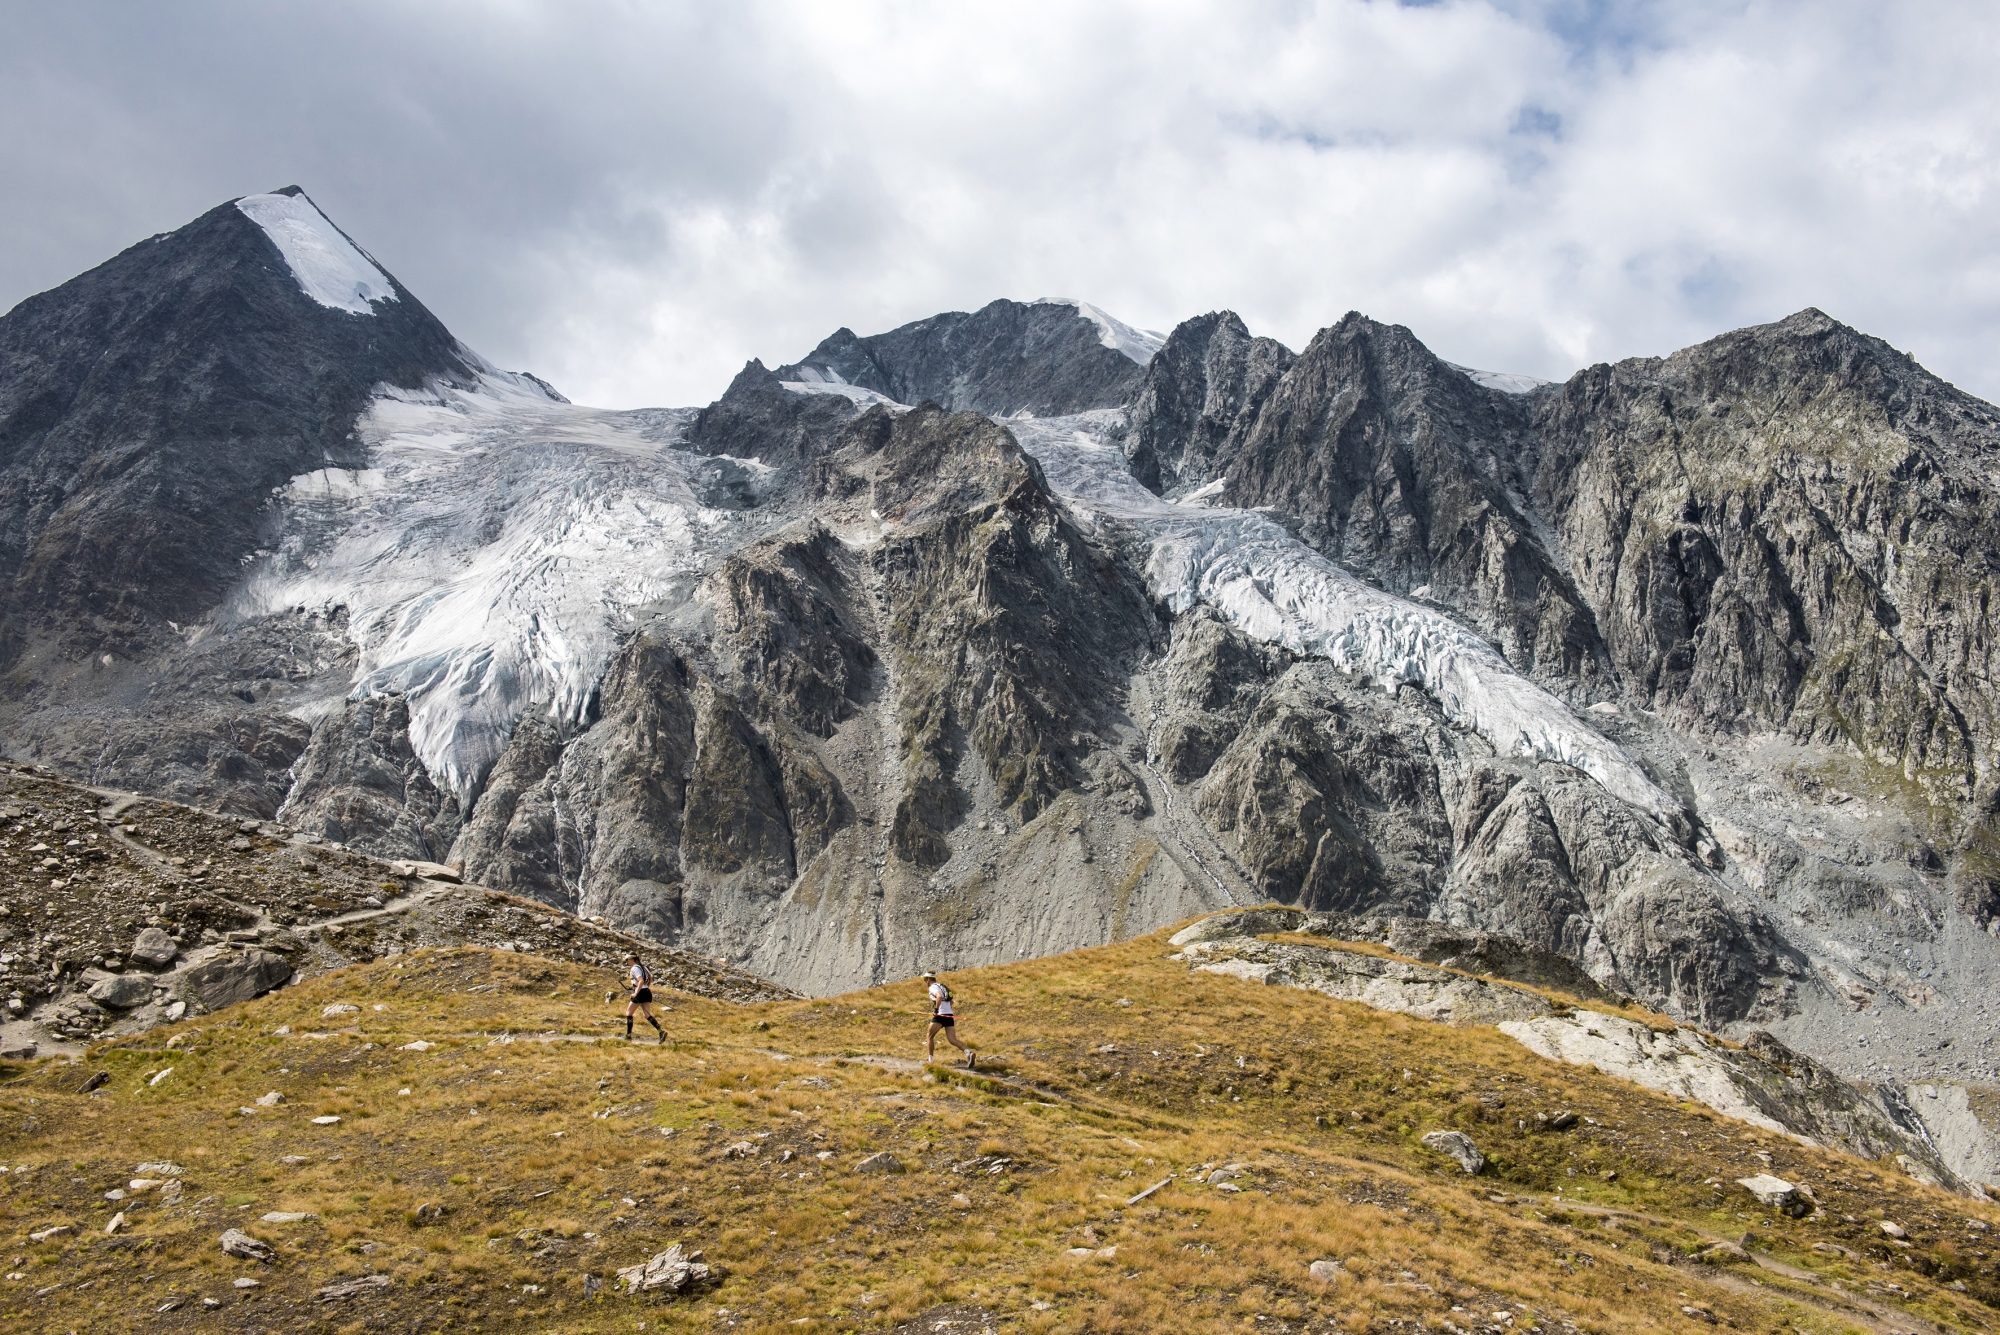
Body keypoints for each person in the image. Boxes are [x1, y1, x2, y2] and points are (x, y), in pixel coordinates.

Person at [923, 970, 974, 1068]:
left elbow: (939, 996)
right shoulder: (941, 986)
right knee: (952, 1040)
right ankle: (969, 1053)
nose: (925, 981)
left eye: (925, 979)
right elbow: (951, 1002)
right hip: (949, 1015)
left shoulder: (932, 987)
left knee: (929, 1036)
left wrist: (936, 1010)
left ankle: (930, 1061)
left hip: (940, 1015)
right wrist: (946, 1009)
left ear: (928, 979)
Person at [622, 953, 666, 1043]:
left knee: (628, 1013)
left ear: (631, 959)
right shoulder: (643, 967)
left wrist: (636, 993)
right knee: (647, 1015)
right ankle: (661, 1032)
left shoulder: (634, 968)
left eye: (627, 960)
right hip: (646, 992)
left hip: (640, 993)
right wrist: (646, 987)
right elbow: (650, 977)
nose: (627, 962)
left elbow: (641, 980)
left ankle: (628, 1036)